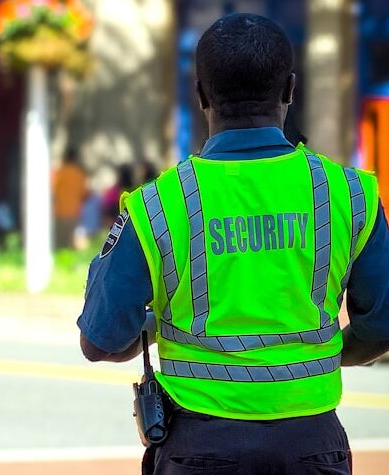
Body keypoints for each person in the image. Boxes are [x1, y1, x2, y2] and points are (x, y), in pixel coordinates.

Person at [78, 14, 389, 475]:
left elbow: (99, 340)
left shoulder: (158, 205)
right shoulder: (351, 194)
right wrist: (322, 352)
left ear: (200, 94)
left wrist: (155, 325)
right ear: (290, 90)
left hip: (200, 448)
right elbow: (382, 323)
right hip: (313, 445)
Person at [52, 148, 88, 249]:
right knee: (71, 245)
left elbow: (52, 190)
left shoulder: (60, 173)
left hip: (60, 212)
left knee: (59, 244)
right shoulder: (79, 174)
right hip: (75, 213)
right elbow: (84, 194)